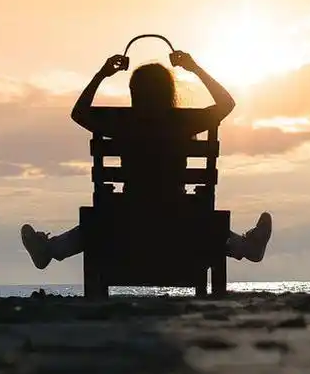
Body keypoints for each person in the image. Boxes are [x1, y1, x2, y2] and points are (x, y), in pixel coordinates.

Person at [19, 49, 273, 269]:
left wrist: (102, 74)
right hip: (180, 219)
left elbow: (79, 113)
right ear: (169, 90)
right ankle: (246, 247)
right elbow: (227, 103)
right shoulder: (185, 122)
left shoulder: (121, 123)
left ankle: (50, 251)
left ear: (134, 92)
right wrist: (194, 69)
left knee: (99, 220)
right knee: (203, 217)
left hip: (126, 221)